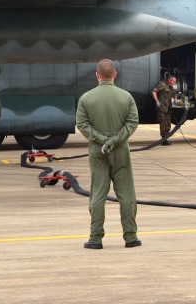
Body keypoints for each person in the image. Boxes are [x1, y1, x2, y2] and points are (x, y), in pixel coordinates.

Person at [76, 59, 141, 250]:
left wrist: (102, 140)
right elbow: (132, 122)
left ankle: (96, 238)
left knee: (97, 194)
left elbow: (82, 124)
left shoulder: (86, 98)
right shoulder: (126, 97)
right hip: (120, 151)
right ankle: (130, 237)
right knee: (126, 193)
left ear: (97, 75)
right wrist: (115, 140)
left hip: (97, 151)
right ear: (115, 74)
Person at [151, 75, 177, 145]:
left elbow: (175, 94)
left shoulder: (171, 88)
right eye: (174, 81)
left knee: (168, 124)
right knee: (163, 124)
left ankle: (165, 138)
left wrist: (176, 98)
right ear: (170, 80)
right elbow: (154, 91)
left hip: (168, 109)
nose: (174, 83)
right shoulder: (162, 85)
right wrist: (157, 101)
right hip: (161, 108)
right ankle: (164, 140)